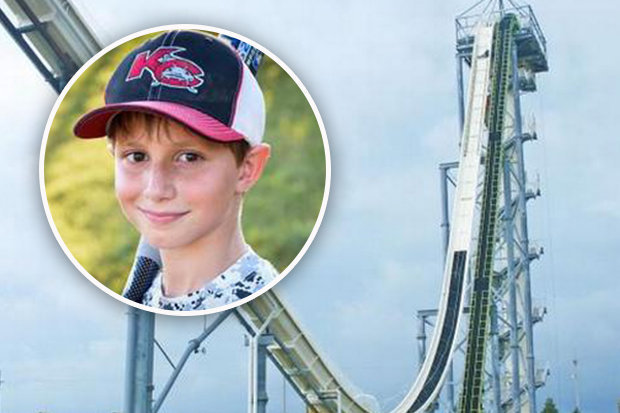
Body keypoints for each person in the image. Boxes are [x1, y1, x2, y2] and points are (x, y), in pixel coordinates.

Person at [72, 30, 278, 311]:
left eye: (189, 157)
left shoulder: (256, 307)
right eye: (137, 156)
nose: (156, 189)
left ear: (247, 169)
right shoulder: (144, 293)